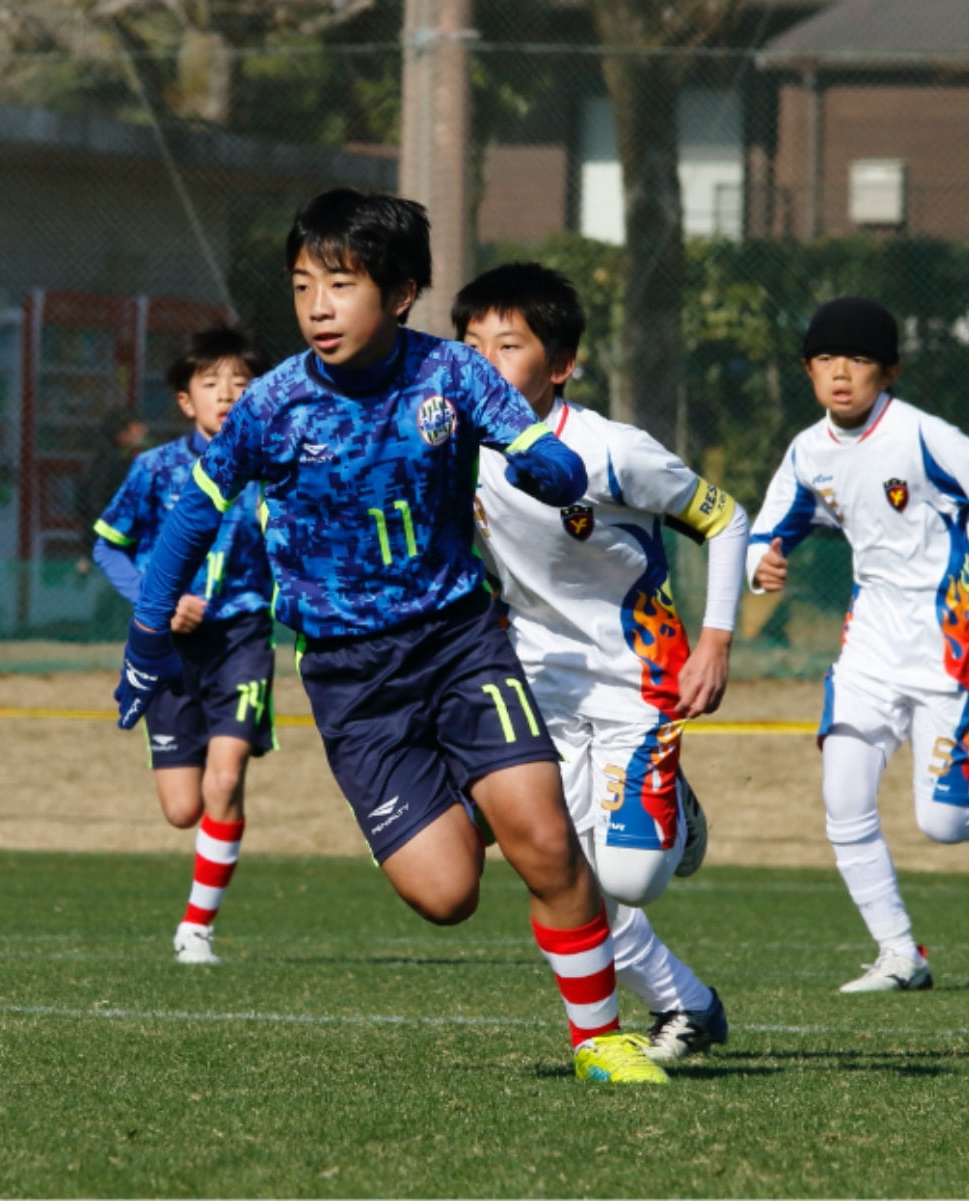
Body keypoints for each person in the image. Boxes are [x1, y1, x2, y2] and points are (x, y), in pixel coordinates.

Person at [116, 188, 667, 1085]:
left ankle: (599, 1038)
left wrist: (551, 463)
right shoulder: (273, 405)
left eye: (341, 283)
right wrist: (147, 638)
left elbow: (535, 443)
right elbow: (189, 519)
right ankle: (473, 786)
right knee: (447, 894)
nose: (318, 307)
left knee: (547, 840)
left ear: (402, 292)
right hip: (350, 677)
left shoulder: (450, 374)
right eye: (303, 287)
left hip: (458, 641)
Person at [455, 261, 745, 1061]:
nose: (485, 360)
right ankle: (690, 1006)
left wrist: (716, 641)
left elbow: (725, 520)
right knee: (559, 872)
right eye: (471, 342)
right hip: (534, 677)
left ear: (560, 364)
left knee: (629, 878)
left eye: (507, 344)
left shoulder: (614, 451)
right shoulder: (452, 448)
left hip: (639, 676)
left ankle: (675, 812)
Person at [746, 296, 969, 992]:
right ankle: (900, 952)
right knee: (843, 793)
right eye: (827, 359)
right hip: (868, 645)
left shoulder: (922, 436)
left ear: (888, 371)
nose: (842, 373)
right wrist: (761, 561)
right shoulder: (808, 451)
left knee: (948, 824)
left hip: (945, 646)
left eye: (860, 359)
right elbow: (768, 526)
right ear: (808, 369)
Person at [91, 326, 275, 965]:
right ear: (184, 400)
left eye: (242, 383)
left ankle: (195, 930)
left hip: (244, 640)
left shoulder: (276, 467)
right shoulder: (155, 468)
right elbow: (106, 546)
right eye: (211, 383)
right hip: (168, 653)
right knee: (182, 809)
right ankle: (211, 835)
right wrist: (157, 600)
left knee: (225, 780)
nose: (227, 394)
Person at [76, 410, 150, 640]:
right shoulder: (110, 462)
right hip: (112, 536)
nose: (143, 431)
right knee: (111, 589)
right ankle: (102, 635)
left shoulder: (123, 460)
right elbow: (94, 504)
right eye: (135, 427)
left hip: (118, 535)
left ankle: (114, 633)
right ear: (121, 435)